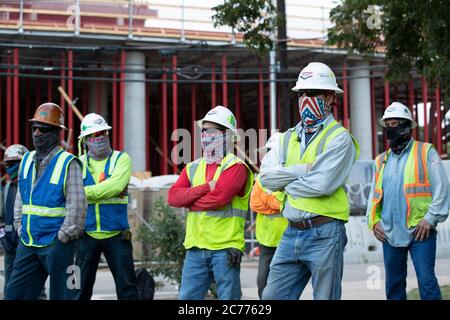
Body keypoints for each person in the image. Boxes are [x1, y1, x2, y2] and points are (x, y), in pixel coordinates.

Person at [260, 62, 360, 300]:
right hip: (291, 232)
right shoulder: (286, 138)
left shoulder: (340, 138)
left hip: (325, 232)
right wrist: (305, 170)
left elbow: (322, 184)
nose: (305, 99)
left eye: (312, 93)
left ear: (330, 97)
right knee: (271, 297)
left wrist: (284, 180)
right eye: (301, 93)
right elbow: (265, 178)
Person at [168, 105, 254, 300]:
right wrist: (206, 187)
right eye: (205, 130)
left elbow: (219, 200)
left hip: (225, 250)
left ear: (229, 136)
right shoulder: (193, 167)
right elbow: (173, 198)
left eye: (214, 131)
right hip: (195, 248)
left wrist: (189, 200)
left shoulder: (236, 167)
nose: (207, 135)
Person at [367, 101, 450, 300]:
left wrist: (430, 219)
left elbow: (442, 189)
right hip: (390, 232)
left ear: (405, 126)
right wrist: (374, 221)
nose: (388, 130)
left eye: (393, 124)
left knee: (427, 283)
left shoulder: (425, 152)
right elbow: (374, 196)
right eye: (386, 124)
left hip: (420, 231)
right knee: (394, 286)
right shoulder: (380, 160)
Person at [5, 103, 86, 300]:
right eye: (35, 128)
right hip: (29, 242)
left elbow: (77, 206)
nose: (38, 133)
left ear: (57, 132)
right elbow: (21, 199)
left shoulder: (68, 162)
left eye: (44, 129)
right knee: (15, 294)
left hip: (59, 245)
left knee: (66, 295)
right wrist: (19, 227)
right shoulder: (26, 160)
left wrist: (63, 236)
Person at [76, 113, 138, 300]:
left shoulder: (122, 159)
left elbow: (116, 187)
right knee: (79, 289)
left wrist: (83, 192)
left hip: (117, 235)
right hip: (86, 234)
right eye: (95, 135)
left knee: (127, 289)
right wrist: (102, 190)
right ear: (85, 140)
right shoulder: (77, 164)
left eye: (103, 133)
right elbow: (70, 193)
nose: (100, 138)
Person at [249, 133, 288, 299]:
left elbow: (287, 203)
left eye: (272, 150)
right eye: (268, 151)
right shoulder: (261, 178)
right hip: (266, 242)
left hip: (287, 241)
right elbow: (255, 203)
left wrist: (271, 202)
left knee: (284, 286)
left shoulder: (289, 177)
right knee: (262, 283)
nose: (268, 154)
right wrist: (276, 203)